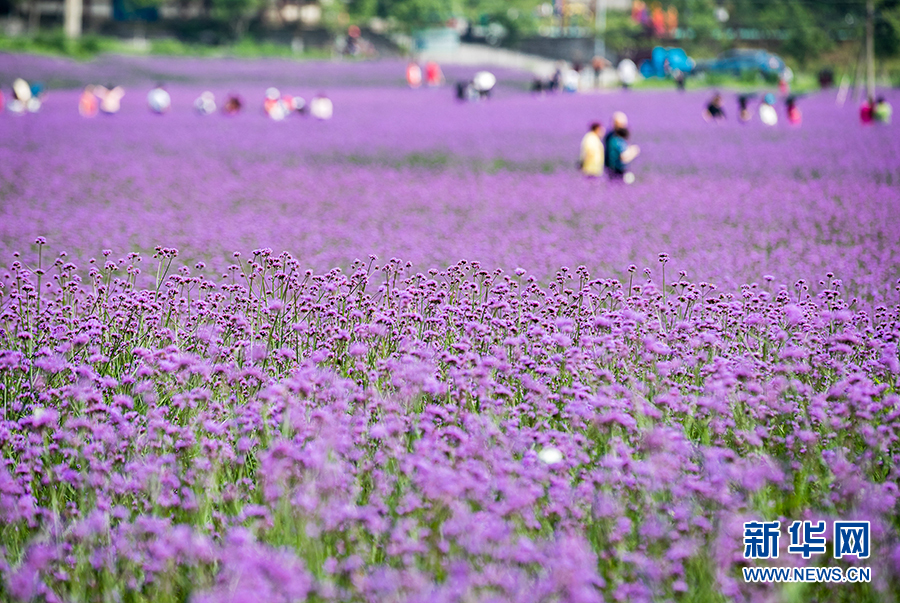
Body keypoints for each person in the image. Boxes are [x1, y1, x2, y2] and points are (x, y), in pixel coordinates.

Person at [604, 111, 640, 184]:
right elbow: (624, 157)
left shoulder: (610, 136)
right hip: (617, 171)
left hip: (611, 170)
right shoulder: (616, 139)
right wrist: (634, 151)